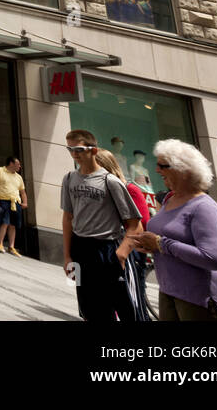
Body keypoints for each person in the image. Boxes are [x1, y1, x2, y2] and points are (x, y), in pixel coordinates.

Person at [128, 139, 217, 321]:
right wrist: (151, 245)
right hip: (170, 291)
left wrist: (160, 243)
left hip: (201, 299)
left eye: (163, 165)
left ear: (185, 170)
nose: (157, 170)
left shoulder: (203, 207)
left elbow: (215, 258)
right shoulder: (171, 198)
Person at [61, 129, 143, 321]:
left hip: (106, 248)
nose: (75, 154)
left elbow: (134, 224)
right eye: (70, 149)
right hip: (80, 248)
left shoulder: (110, 181)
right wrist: (67, 256)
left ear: (93, 150)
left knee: (123, 307)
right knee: (88, 306)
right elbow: (67, 218)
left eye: (79, 149)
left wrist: (121, 253)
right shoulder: (69, 179)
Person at [94, 149, 152, 321]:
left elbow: (142, 223)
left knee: (133, 303)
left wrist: (122, 252)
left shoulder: (129, 189)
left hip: (128, 253)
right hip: (105, 252)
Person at [0, 156, 27, 255]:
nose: (20, 166)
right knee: (5, 222)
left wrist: (25, 202)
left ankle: (11, 247)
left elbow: (23, 192)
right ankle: (0, 243)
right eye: (18, 164)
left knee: (13, 225)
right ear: (11, 163)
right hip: (4, 200)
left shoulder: (19, 177)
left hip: (16, 202)